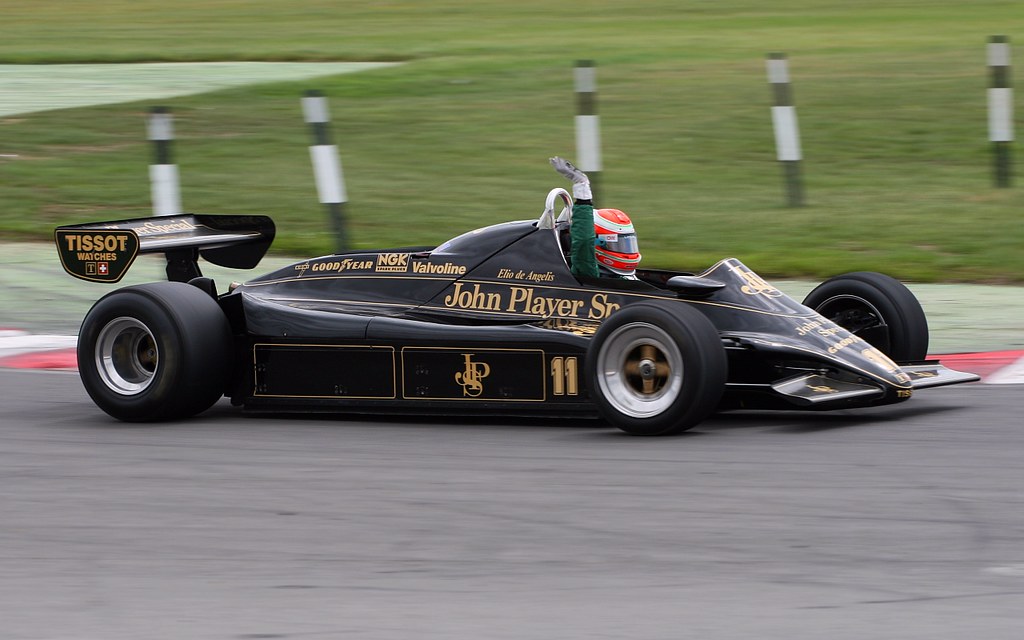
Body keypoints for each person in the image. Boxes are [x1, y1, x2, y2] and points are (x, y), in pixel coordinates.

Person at [549, 156, 641, 280]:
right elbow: (584, 240)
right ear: (595, 243)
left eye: (627, 244)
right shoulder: (588, 271)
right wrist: (582, 188)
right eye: (617, 245)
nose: (627, 252)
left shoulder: (624, 277)